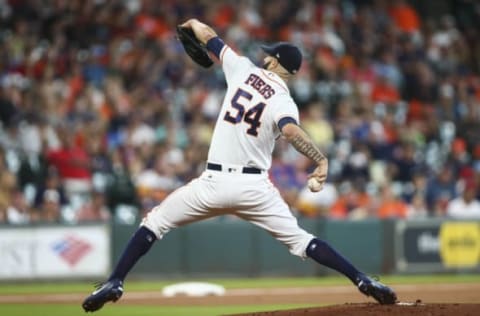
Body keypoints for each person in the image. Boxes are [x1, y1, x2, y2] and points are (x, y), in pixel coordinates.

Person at [82, 19, 397, 312]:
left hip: (213, 183)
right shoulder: (285, 101)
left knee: (155, 222)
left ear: (275, 63)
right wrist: (321, 159)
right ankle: (361, 278)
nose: (265, 58)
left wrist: (189, 24)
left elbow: (205, 33)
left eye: (269, 56)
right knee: (301, 240)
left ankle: (115, 280)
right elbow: (289, 131)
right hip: (254, 189)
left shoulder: (242, 69)